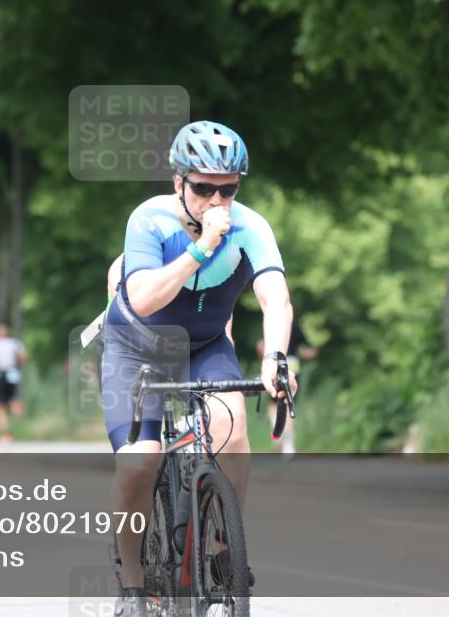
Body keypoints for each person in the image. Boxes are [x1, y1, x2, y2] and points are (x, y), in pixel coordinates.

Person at [101, 120, 295, 616]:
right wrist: (202, 247)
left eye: (227, 190)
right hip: (138, 346)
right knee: (139, 463)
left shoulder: (251, 227)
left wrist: (275, 358)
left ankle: (223, 555)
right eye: (204, 188)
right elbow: (143, 299)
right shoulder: (149, 220)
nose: (217, 201)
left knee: (231, 435)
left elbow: (275, 298)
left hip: (205, 344)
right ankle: (133, 585)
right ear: (178, 184)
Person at [256, 320, 317, 456]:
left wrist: (264, 360)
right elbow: (310, 350)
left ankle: (277, 431)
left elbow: (260, 345)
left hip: (275, 364)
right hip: (293, 365)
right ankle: (289, 444)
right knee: (289, 402)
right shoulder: (295, 327)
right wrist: (300, 355)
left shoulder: (270, 325)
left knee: (273, 402)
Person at [0, 323, 28, 443]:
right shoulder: (15, 343)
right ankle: (16, 407)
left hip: (2, 373)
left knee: (1, 406)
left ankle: (5, 433)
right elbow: (23, 356)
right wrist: (17, 364)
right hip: (14, 372)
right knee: (13, 398)